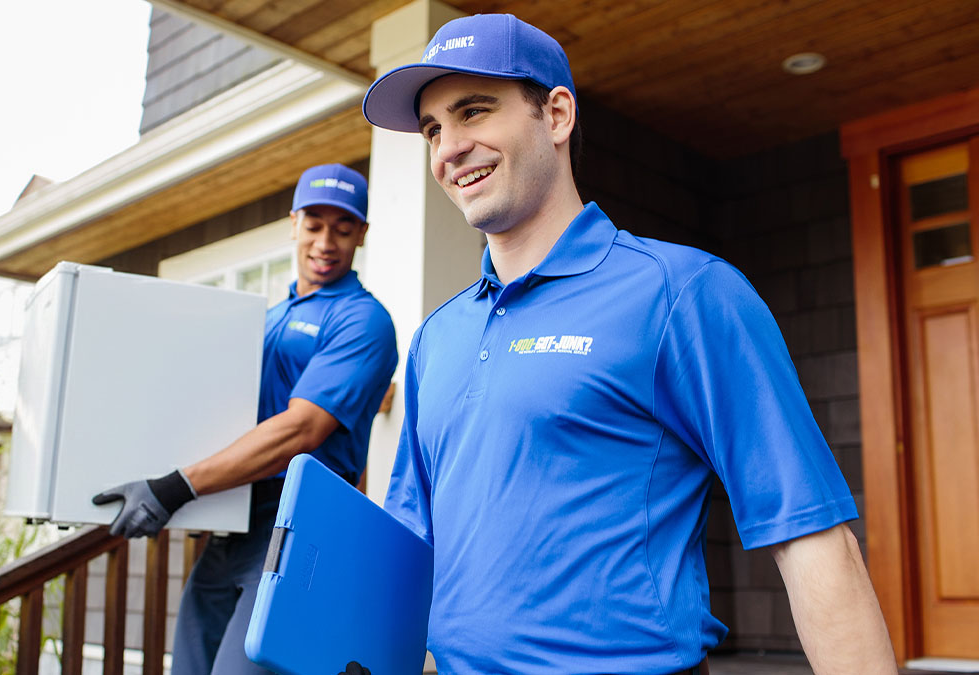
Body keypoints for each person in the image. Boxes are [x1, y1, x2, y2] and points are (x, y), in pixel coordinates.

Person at [360, 14, 897, 675]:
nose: (449, 148)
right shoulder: (436, 338)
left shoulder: (684, 293)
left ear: (557, 115)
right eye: (433, 129)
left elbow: (812, 537)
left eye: (474, 111)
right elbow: (408, 542)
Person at [92, 163, 398, 675]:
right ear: (294, 224)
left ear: (361, 234)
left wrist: (176, 487)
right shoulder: (270, 317)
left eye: (343, 229)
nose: (326, 243)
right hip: (233, 520)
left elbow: (302, 430)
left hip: (298, 523)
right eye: (315, 225)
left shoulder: (363, 320)